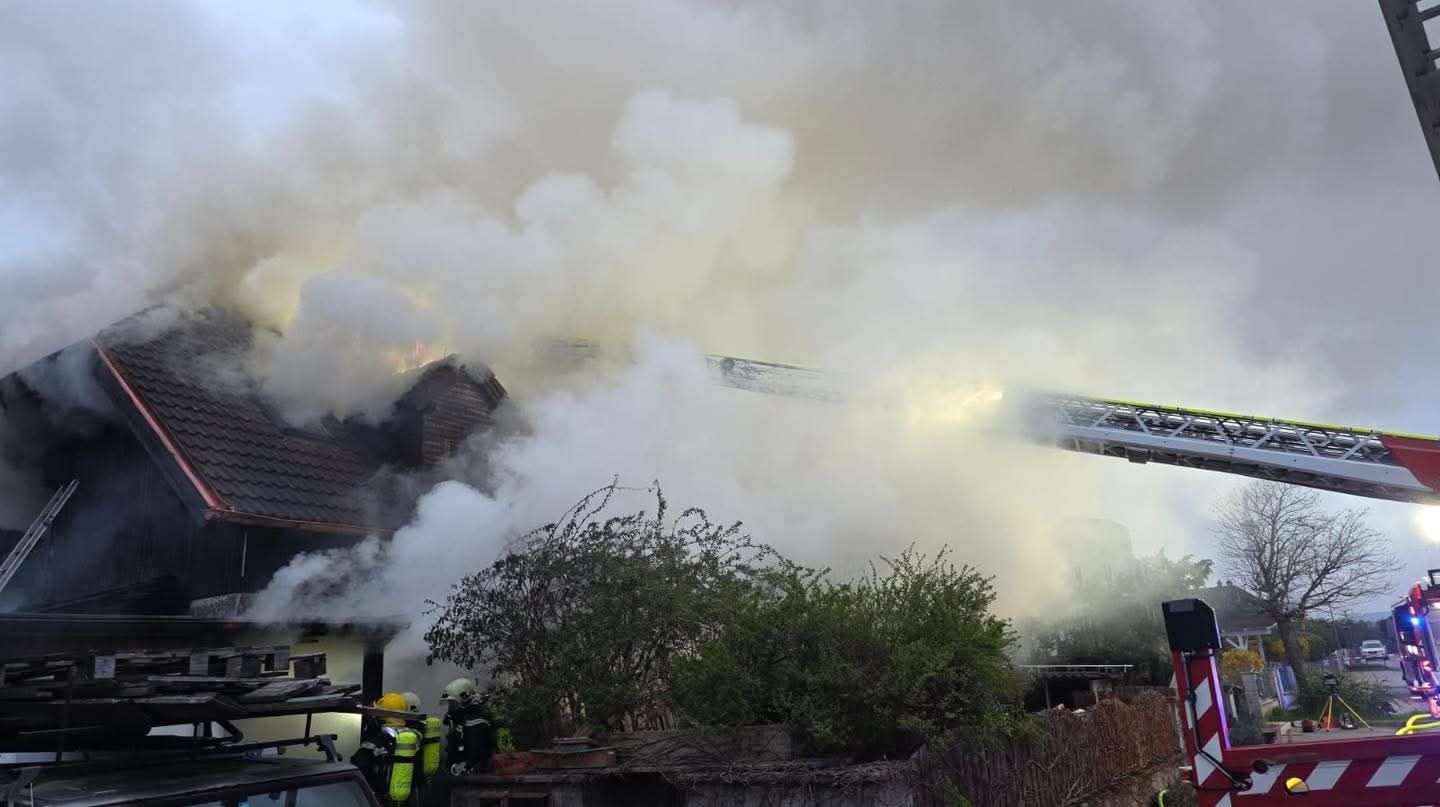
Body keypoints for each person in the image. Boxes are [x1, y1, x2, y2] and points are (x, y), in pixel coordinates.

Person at [439, 677, 496, 774]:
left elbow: (477, 753)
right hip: (459, 773)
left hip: (474, 776)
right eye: (450, 703)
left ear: (464, 699)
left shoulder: (476, 721)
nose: (450, 707)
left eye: (453, 703)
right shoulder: (460, 718)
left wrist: (465, 766)